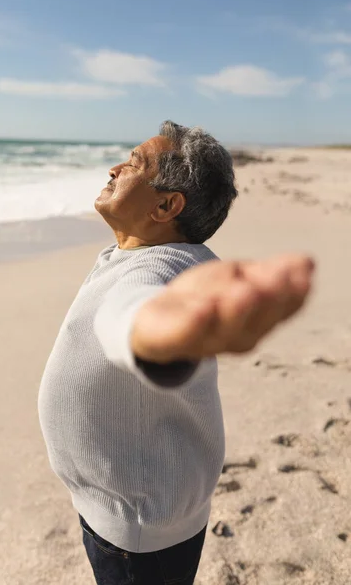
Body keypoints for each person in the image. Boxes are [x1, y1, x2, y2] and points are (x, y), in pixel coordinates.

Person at [38, 121, 314, 585]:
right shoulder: (134, 252)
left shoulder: (161, 271)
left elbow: (133, 314)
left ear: (167, 205)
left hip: (138, 533)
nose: (113, 168)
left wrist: (163, 335)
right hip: (125, 511)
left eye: (133, 164)